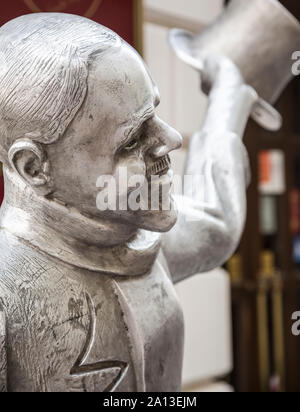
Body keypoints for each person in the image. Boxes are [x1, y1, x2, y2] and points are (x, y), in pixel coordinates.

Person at [0, 13, 255, 392]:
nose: (170, 139)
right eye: (132, 139)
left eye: (155, 111)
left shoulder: (136, 234)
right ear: (35, 167)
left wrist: (228, 100)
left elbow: (217, 222)